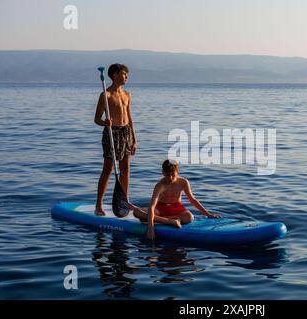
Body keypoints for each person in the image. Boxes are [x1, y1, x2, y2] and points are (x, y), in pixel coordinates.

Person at [131, 160, 221, 240]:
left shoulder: (183, 182)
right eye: (167, 175)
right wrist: (151, 229)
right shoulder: (160, 185)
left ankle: (160, 220)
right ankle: (170, 221)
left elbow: (192, 200)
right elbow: (152, 206)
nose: (170, 178)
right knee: (136, 212)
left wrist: (208, 214)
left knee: (190, 217)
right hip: (160, 208)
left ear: (177, 172)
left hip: (177, 208)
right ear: (163, 172)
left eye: (172, 174)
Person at [94, 63, 137, 216]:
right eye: (124, 74)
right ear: (115, 75)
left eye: (127, 75)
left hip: (126, 132)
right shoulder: (106, 95)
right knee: (108, 169)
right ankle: (98, 205)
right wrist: (105, 122)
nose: (126, 77)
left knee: (126, 169)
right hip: (112, 132)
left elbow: (130, 118)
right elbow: (96, 119)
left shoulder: (127, 94)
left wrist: (134, 138)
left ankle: (124, 200)